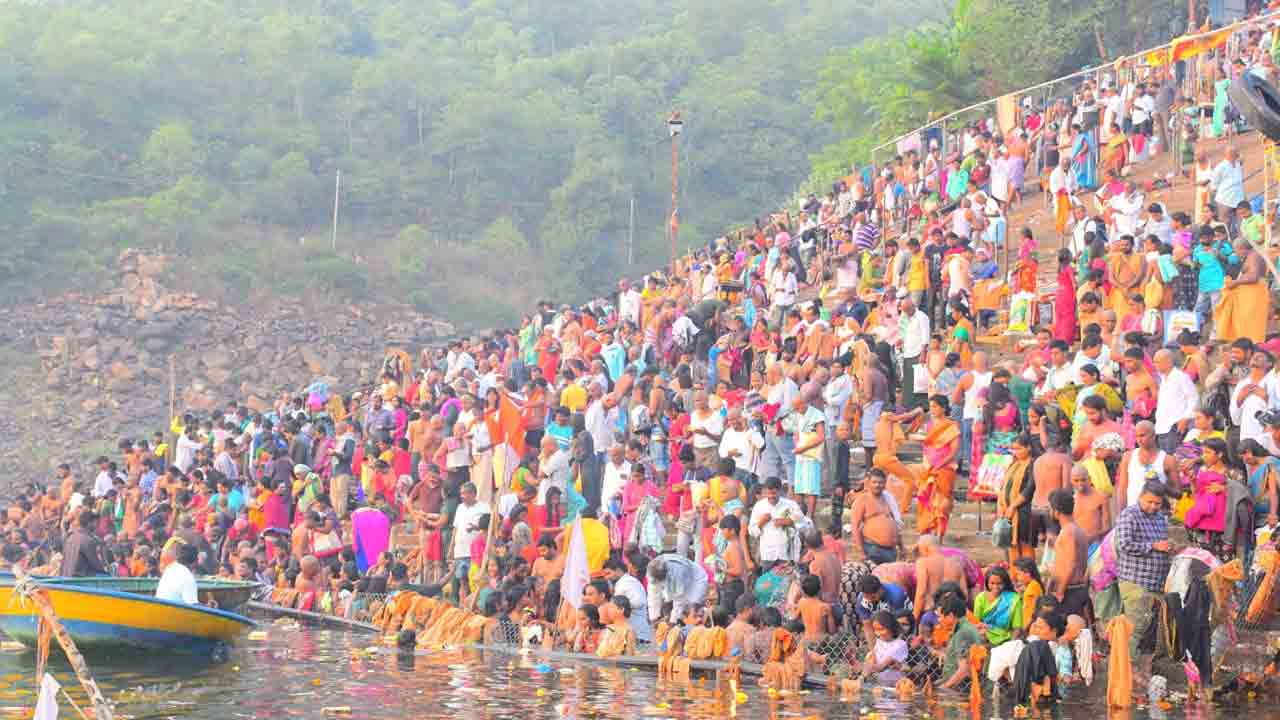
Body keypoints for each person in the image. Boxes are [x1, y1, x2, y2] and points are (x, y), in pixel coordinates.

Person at [1114, 481, 1173, 682]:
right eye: (1150, 502)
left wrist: (1168, 548)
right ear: (1141, 495)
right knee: (1136, 625)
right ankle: (1127, 670)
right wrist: (1154, 546)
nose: (1153, 506)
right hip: (1135, 580)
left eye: (1157, 503)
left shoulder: (1160, 518)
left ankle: (1145, 670)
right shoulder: (1130, 515)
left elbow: (1162, 545)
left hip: (1156, 583)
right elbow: (1124, 545)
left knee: (1152, 630)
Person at [911, 395, 960, 540]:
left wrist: (940, 464)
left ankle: (939, 536)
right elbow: (926, 447)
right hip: (929, 468)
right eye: (931, 406)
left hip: (946, 468)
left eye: (935, 406)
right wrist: (928, 464)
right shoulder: (929, 425)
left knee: (941, 504)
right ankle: (927, 531)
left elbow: (953, 451)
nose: (931, 409)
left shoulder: (951, 426)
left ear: (943, 408)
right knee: (925, 499)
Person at [1048, 489, 1091, 621]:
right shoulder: (1076, 530)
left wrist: (1060, 590)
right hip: (1074, 589)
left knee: (1068, 632)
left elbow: (1071, 564)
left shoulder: (1069, 532)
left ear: (1056, 511)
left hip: (1069, 591)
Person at [846, 469, 902, 564]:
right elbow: (855, 527)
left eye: (880, 482)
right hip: (873, 549)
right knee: (875, 578)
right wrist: (861, 552)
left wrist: (902, 546)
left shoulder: (888, 499)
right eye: (874, 482)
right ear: (868, 483)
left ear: (885, 484)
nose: (877, 485)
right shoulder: (862, 500)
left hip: (891, 550)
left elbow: (895, 523)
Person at [998, 434, 1036, 564]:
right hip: (1008, 511)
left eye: (1019, 448)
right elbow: (1003, 487)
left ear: (1029, 448)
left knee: (1025, 544)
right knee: (1012, 545)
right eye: (1013, 449)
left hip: (1024, 511)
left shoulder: (1032, 465)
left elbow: (1029, 489)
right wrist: (1001, 505)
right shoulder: (1013, 464)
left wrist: (1013, 506)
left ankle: (1029, 576)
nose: (1016, 452)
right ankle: (1015, 577)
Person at [646, 553, 708, 625]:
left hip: (695, 580)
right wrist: (654, 617)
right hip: (676, 579)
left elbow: (679, 599)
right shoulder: (652, 570)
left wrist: (673, 620)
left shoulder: (679, 572)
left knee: (691, 606)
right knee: (667, 601)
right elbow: (653, 594)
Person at [972, 565, 1022, 646]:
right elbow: (976, 622)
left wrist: (1010, 646)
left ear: (1005, 583)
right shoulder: (980, 598)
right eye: (992, 583)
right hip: (984, 636)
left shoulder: (1013, 599)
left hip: (1006, 639)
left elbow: (1017, 628)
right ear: (987, 583)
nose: (995, 587)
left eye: (999, 583)